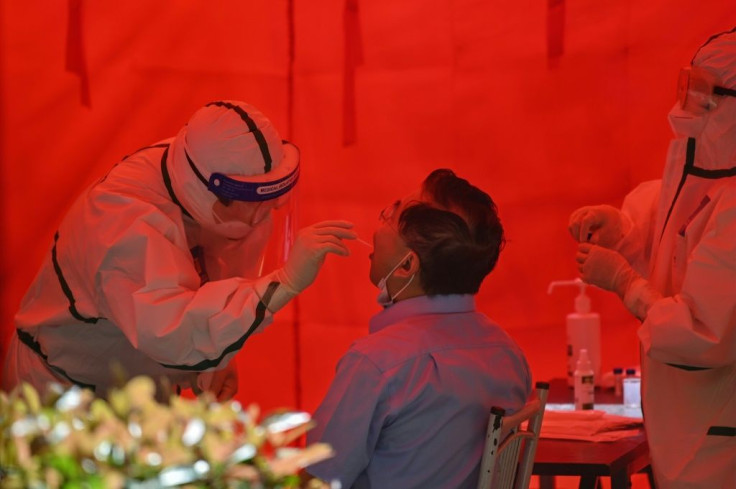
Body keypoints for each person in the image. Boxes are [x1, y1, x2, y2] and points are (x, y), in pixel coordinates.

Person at [2, 100, 356, 400]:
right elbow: (170, 330)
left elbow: (213, 274)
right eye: (254, 205)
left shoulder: (198, 172)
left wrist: (216, 361)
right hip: (61, 392)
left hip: (135, 393)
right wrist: (285, 283)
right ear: (210, 192)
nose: (267, 214)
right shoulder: (122, 221)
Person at [569, 28, 736, 489]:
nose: (690, 103)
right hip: (688, 432)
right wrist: (622, 229)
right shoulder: (703, 164)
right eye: (689, 85)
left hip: (715, 443)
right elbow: (671, 219)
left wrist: (627, 284)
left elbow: (703, 333)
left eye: (705, 92)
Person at [305, 169, 532, 489]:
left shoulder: (377, 364)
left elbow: (318, 477)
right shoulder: (509, 355)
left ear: (407, 266)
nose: (378, 225)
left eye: (390, 215)